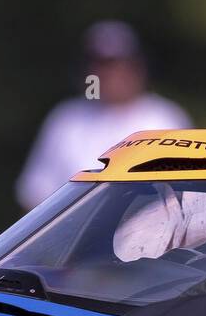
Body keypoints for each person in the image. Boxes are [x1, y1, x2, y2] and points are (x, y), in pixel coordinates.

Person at [16, 21, 190, 210]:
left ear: (138, 67)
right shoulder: (67, 120)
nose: (110, 74)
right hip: (76, 234)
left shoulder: (164, 118)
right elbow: (36, 192)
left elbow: (188, 191)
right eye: (100, 64)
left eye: (118, 64)